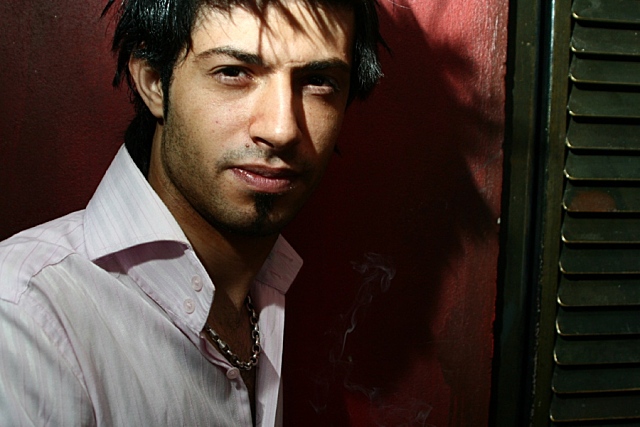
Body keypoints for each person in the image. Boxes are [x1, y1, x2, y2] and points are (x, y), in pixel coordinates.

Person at [0, 0, 384, 425]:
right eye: (233, 73)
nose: (281, 129)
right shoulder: (25, 316)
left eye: (318, 81)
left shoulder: (264, 289)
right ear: (153, 81)